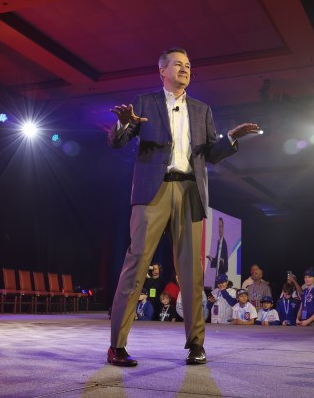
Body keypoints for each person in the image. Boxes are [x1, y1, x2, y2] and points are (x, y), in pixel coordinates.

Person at [107, 47, 259, 367]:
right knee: (136, 266)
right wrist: (122, 125)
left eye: (188, 65)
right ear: (161, 70)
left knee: (191, 272)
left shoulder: (202, 110)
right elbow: (119, 141)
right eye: (178, 64)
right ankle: (117, 346)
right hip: (153, 190)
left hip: (190, 191)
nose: (185, 69)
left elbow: (211, 155)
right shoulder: (145, 102)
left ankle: (196, 344)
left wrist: (230, 138)